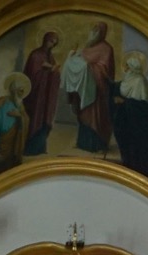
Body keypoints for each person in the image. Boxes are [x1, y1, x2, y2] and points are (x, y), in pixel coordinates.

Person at [63, 22, 116, 155]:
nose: (93, 33)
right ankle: (83, 143)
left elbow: (105, 69)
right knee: (84, 114)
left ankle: (98, 144)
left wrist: (89, 67)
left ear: (102, 33)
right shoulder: (88, 47)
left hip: (99, 90)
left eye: (97, 30)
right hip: (85, 89)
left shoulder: (107, 48)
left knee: (97, 117)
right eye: (93, 30)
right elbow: (79, 61)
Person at [111, 50, 148, 179]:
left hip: (138, 124)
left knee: (137, 147)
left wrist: (124, 102)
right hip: (125, 120)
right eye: (125, 65)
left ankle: (141, 173)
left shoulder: (140, 81)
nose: (125, 68)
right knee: (126, 145)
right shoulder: (126, 81)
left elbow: (143, 106)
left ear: (132, 67)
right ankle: (128, 170)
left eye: (127, 66)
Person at [21, 30, 62, 156]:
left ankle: (40, 148)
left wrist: (54, 72)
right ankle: (31, 149)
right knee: (36, 120)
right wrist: (47, 68)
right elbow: (32, 72)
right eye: (51, 41)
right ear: (45, 39)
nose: (51, 45)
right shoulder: (35, 54)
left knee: (45, 120)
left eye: (54, 43)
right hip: (36, 95)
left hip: (46, 96)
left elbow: (54, 73)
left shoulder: (50, 57)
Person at [0, 73, 32, 169]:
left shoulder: (20, 106)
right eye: (19, 91)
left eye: (22, 91)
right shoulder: (0, 104)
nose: (21, 94)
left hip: (12, 151)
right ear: (13, 90)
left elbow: (26, 120)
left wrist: (20, 117)